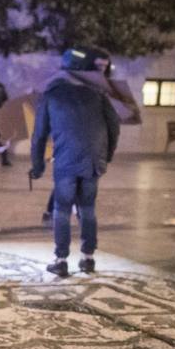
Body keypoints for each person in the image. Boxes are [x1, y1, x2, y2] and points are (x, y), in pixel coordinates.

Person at [29, 46, 121, 278]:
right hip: (92, 162)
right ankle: (88, 258)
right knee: (87, 208)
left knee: (62, 209)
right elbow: (114, 127)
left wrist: (37, 165)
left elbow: (39, 134)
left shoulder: (52, 94)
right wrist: (106, 156)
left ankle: (60, 260)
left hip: (66, 163)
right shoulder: (98, 95)